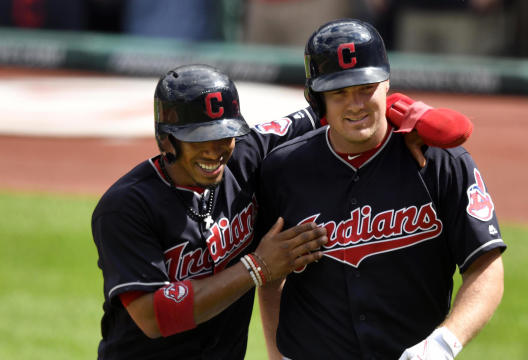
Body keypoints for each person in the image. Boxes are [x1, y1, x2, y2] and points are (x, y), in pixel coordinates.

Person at [91, 63, 473, 359]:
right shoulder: (127, 207)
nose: (215, 149)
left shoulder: (248, 155)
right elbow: (155, 317)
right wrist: (258, 268)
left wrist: (407, 115)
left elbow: (335, 106)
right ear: (166, 139)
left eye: (225, 134)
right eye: (198, 139)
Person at [257, 18, 506, 360]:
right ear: (316, 98)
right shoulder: (282, 170)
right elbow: (272, 275)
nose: (356, 104)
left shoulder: (441, 161)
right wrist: (277, 354)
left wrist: (444, 343)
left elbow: (486, 265)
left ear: (386, 82)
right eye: (339, 92)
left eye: (365, 87)